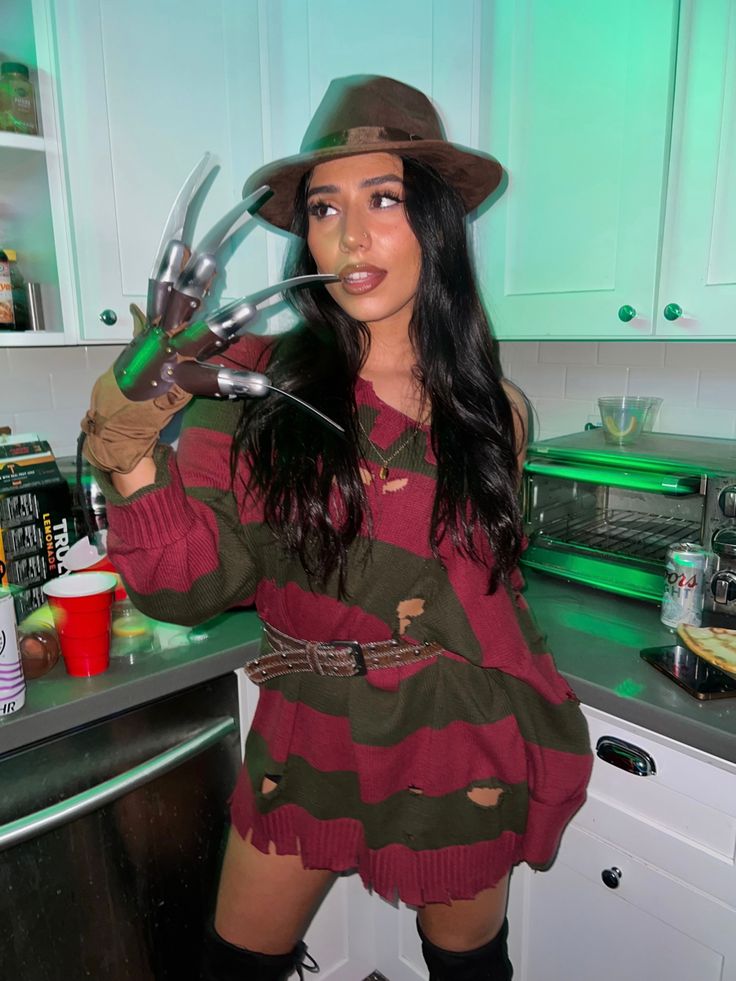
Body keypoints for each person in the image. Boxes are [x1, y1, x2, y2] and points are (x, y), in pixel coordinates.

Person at [82, 75, 593, 981]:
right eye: (324, 208)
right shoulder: (253, 390)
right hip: (307, 720)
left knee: (469, 968)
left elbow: (484, 594)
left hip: (456, 722)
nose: (350, 235)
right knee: (233, 962)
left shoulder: (492, 408)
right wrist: (127, 455)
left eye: (384, 199)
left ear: (434, 224)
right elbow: (188, 584)